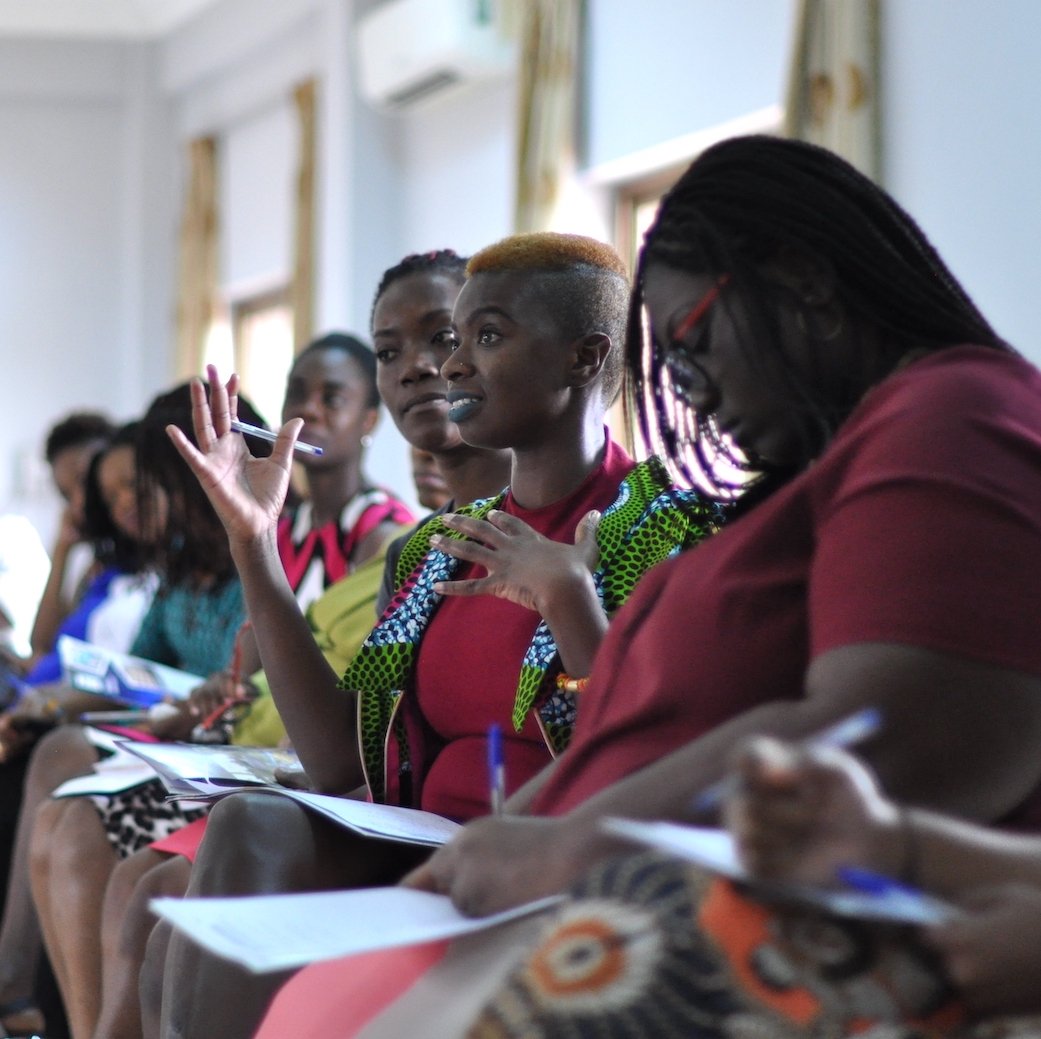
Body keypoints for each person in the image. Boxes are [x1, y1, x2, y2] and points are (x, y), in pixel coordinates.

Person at [251, 134, 1041, 1038]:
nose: (689, 391)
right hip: (547, 870)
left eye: (692, 341)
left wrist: (571, 841)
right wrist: (519, 838)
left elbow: (898, 733)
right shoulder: (839, 469)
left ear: (803, 283)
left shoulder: (949, 419)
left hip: (679, 901)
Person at [155, 233, 722, 1039]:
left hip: (548, 858)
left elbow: (645, 751)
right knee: (248, 826)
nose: (453, 365)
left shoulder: (666, 529)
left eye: (484, 337)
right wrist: (256, 543)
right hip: (416, 849)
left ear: (583, 356)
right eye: (452, 340)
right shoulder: (434, 549)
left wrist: (565, 597)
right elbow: (340, 762)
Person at [30, 334, 416, 1039]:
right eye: (299, 393)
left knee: (103, 844)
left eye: (333, 396)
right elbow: (252, 662)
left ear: (369, 417)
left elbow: (334, 684)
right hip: (237, 743)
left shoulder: (382, 534)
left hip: (282, 759)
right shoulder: (285, 525)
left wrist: (221, 692)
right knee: (61, 775)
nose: (308, 412)